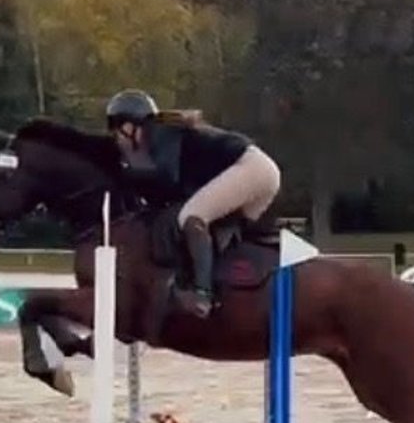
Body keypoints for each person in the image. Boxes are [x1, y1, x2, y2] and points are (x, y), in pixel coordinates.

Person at [104, 89, 282, 318]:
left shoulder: (160, 131)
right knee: (220, 232)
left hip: (250, 168)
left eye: (118, 132)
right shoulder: (164, 131)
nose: (118, 139)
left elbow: (168, 178)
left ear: (129, 125)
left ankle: (203, 293)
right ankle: (227, 292)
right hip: (261, 171)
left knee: (191, 217)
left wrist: (128, 169)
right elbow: (170, 190)